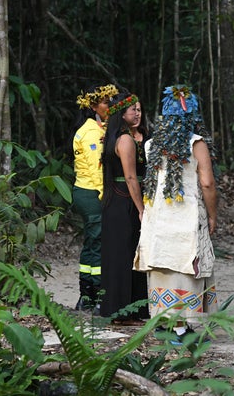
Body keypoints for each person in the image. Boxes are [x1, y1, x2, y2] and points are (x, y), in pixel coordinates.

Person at [135, 85, 218, 343]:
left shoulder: (151, 145)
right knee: (185, 269)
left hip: (159, 219)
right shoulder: (196, 144)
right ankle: (181, 329)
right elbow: (207, 183)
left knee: (163, 268)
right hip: (186, 218)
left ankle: (165, 323)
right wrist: (213, 215)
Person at [99, 92, 150, 324]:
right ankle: (124, 311)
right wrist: (141, 208)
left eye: (139, 110)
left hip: (115, 202)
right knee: (124, 256)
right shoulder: (126, 139)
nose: (137, 114)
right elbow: (131, 178)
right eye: (133, 110)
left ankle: (126, 309)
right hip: (125, 201)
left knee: (122, 254)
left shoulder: (114, 137)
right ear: (122, 113)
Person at [72, 83, 119, 311]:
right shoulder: (90, 132)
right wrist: (104, 196)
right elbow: (95, 168)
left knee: (92, 242)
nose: (109, 106)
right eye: (105, 102)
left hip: (90, 191)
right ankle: (96, 295)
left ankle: (87, 295)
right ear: (92, 106)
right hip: (91, 191)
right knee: (98, 242)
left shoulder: (100, 128)